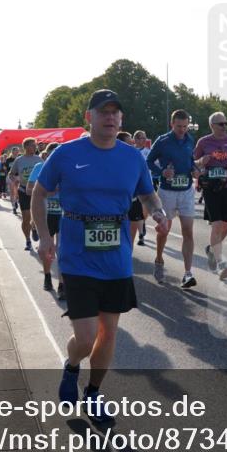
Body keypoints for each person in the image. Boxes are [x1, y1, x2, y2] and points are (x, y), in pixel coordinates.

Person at [33, 89, 169, 426]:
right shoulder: (66, 154)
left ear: (121, 119)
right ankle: (71, 366)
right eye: (103, 112)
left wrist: (159, 212)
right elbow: (39, 192)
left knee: (109, 331)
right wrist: (46, 237)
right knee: (86, 335)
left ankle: (93, 392)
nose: (110, 118)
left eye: (115, 113)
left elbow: (148, 194)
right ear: (88, 117)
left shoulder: (132, 157)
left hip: (117, 256)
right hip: (77, 255)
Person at [146, 110, 199, 288]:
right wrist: (162, 172)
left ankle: (187, 273)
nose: (182, 130)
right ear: (172, 124)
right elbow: (148, 162)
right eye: (179, 126)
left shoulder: (190, 140)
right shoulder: (162, 141)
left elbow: (190, 160)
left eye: (185, 126)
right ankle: (159, 260)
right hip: (167, 192)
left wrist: (195, 169)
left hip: (186, 190)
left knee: (188, 231)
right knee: (164, 230)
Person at [194, 112, 227, 280]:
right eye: (221, 124)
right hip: (211, 188)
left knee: (225, 225)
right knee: (216, 225)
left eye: (225, 123)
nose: (224, 126)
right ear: (212, 126)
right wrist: (201, 161)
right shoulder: (203, 142)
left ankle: (211, 249)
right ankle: (220, 264)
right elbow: (193, 162)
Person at [29, 142, 65, 298]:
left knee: (63, 250)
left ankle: (62, 285)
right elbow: (30, 189)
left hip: (65, 214)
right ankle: (48, 276)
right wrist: (50, 191)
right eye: (51, 154)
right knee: (48, 248)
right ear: (47, 155)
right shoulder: (39, 167)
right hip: (47, 213)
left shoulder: (68, 167)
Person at [10, 139, 45, 251]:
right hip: (23, 190)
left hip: (37, 191)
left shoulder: (39, 159)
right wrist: (15, 179)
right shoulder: (19, 160)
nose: (35, 147)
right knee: (26, 217)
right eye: (32, 145)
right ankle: (28, 240)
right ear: (26, 147)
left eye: (35, 145)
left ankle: (34, 227)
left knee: (36, 215)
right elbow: (11, 174)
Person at [116, 131, 147, 247]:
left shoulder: (135, 158)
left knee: (131, 234)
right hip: (116, 204)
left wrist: (157, 210)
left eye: (132, 143)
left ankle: (128, 256)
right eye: (129, 143)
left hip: (133, 199)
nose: (133, 145)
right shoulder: (109, 158)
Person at [134, 130, 152, 245]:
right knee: (137, 208)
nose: (143, 140)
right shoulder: (131, 151)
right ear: (135, 139)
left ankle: (143, 222)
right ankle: (140, 227)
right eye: (141, 138)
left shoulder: (148, 152)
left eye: (145, 138)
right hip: (134, 184)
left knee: (146, 209)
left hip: (146, 183)